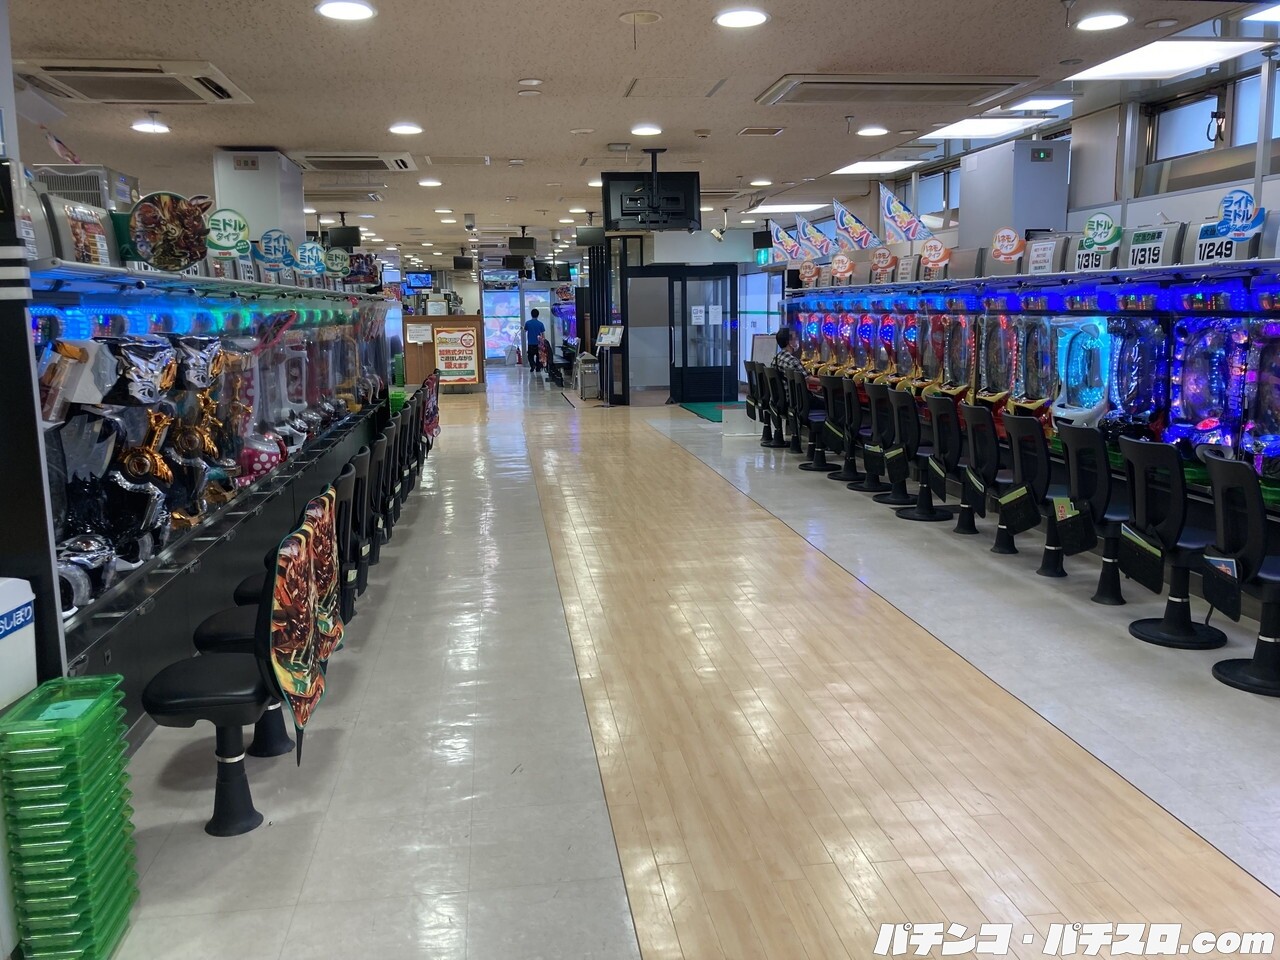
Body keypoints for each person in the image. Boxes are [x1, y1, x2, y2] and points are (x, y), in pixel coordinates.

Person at [773, 326, 825, 409]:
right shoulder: (792, 360)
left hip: (786, 401)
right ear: (789, 342)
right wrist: (828, 383)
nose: (798, 340)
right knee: (834, 406)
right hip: (799, 402)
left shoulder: (776, 358)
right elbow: (808, 379)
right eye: (795, 338)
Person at [524, 309, 546, 373]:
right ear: (538, 315)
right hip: (538, 343)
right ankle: (538, 368)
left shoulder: (528, 323)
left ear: (531, 315)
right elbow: (543, 334)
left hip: (530, 343)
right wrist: (543, 342)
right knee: (538, 356)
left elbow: (525, 330)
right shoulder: (540, 324)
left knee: (530, 356)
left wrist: (523, 328)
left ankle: (532, 365)